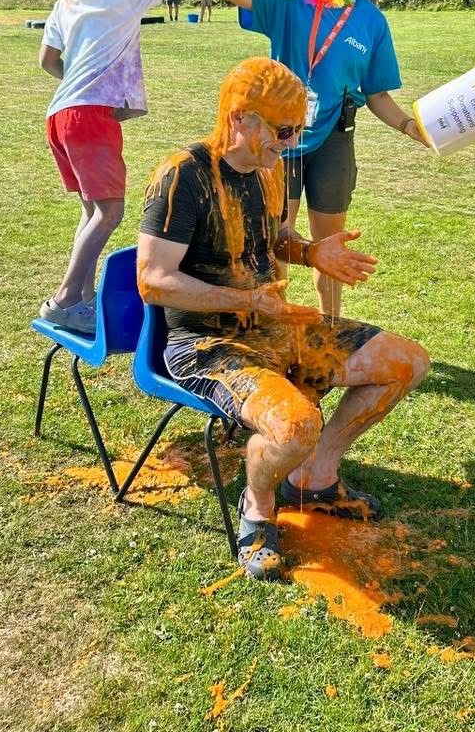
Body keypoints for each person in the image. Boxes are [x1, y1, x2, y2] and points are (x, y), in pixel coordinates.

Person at [137, 56, 430, 581]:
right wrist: (248, 301)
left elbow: (273, 239)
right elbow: (153, 280)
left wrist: (312, 252)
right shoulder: (183, 175)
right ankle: (258, 505)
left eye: (299, 128)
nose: (292, 142)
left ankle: (315, 478)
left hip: (277, 326)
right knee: (296, 426)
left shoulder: (267, 170)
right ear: (240, 117)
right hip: (208, 346)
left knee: (407, 362)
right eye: (284, 130)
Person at [205, 0, 428, 317]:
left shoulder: (371, 22)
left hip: (333, 142)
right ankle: (276, 324)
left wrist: (408, 126)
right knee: (276, 241)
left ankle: (331, 328)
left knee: (329, 245)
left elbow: (377, 94)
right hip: (280, 139)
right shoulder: (291, 0)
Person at [38, 0, 224, 334]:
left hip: (60, 116)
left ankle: (83, 301)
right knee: (110, 212)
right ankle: (64, 299)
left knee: (91, 211)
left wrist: (82, 85)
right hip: (89, 118)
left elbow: (47, 60)